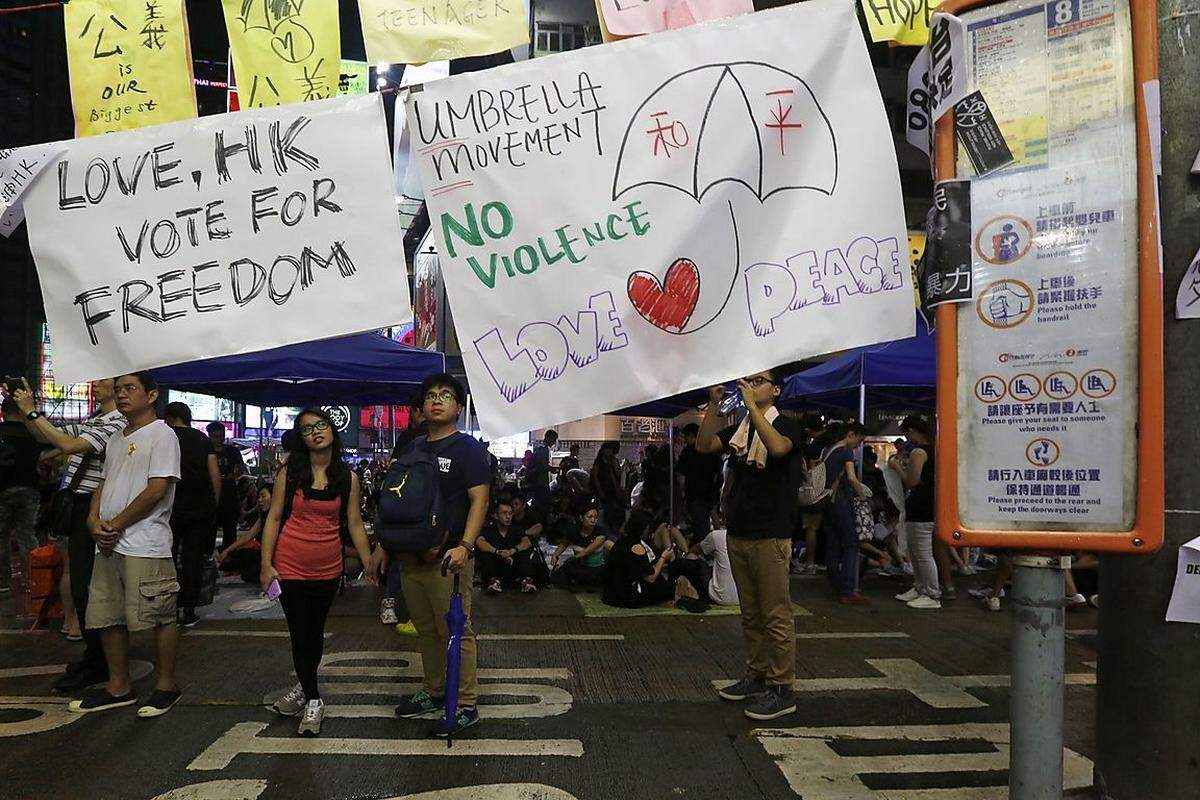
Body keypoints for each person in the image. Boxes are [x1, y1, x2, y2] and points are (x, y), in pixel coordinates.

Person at [67, 371, 183, 718]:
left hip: (146, 542)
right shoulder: (116, 438)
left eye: (129, 388)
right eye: (117, 389)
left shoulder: (163, 435)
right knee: (107, 615)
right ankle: (119, 686)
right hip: (108, 543)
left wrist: (115, 524)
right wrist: (93, 520)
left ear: (151, 395)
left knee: (160, 614)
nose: (121, 394)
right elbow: (103, 484)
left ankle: (166, 685)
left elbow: (156, 489)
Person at [260, 408, 377, 736]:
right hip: (290, 564)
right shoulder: (291, 472)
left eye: (321, 425)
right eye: (308, 429)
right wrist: (265, 564)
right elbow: (273, 518)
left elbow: (353, 523)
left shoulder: (348, 477)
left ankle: (303, 685)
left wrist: (369, 562)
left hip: (328, 568)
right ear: (302, 438)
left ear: (332, 430)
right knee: (300, 633)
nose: (316, 432)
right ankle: (313, 698)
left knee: (315, 631)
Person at [386, 373, 491, 738]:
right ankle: (433, 691)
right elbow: (396, 500)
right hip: (410, 556)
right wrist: (385, 548)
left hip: (449, 560)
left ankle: (465, 704)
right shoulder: (413, 447)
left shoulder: (468, 449)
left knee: (457, 632)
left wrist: (465, 545)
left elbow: (480, 500)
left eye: (446, 395)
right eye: (431, 395)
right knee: (426, 630)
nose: (437, 400)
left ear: (458, 407)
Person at [696, 369, 803, 721]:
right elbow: (703, 446)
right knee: (751, 614)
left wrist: (751, 407)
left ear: (775, 390)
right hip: (739, 531)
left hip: (771, 533)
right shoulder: (741, 429)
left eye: (759, 381)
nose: (750, 385)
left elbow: (777, 448)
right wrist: (713, 404)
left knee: (775, 613)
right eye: (749, 380)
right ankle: (756, 676)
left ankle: (782, 687)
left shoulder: (785, 425)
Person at [6, 377, 125, 690]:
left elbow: (69, 445)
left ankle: (101, 661)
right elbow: (52, 438)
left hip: (93, 508)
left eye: (103, 380)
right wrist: (25, 405)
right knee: (83, 584)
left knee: (90, 588)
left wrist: (31, 412)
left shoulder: (116, 421)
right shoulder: (95, 419)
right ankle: (94, 655)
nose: (93, 384)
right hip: (79, 508)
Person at [164, 403, 220, 627]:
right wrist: (214, 503)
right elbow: (214, 473)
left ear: (170, 417)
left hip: (167, 508)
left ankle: (166, 606)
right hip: (199, 508)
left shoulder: (163, 436)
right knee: (193, 559)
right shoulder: (202, 439)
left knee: (166, 556)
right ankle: (188, 609)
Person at [890, 415, 942, 609]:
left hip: (921, 507)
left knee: (923, 553)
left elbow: (912, 481)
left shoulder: (919, 452)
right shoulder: (934, 450)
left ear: (912, 431)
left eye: (906, 433)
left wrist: (897, 468)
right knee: (916, 550)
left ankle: (932, 593)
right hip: (927, 506)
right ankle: (920, 587)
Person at [822, 423, 870, 605]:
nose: (859, 445)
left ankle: (835, 583)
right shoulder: (846, 451)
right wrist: (863, 496)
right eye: (860, 440)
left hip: (828, 502)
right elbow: (851, 477)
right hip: (842, 501)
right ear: (851, 434)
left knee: (833, 544)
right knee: (851, 545)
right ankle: (848, 589)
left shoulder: (828, 450)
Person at [602, 510, 675, 608]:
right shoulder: (637, 547)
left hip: (611, 594)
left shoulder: (622, 541)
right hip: (627, 596)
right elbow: (651, 578)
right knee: (664, 586)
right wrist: (663, 557)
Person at [477, 497, 537, 594]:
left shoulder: (516, 529)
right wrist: (498, 552)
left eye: (510, 513)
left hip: (513, 566)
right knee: (486, 555)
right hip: (496, 566)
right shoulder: (490, 530)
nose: (508, 517)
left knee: (524, 553)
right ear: (496, 515)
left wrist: (512, 551)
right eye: (504, 513)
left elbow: (527, 542)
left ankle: (527, 581)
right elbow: (480, 542)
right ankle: (494, 582)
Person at [676, 423, 722, 541]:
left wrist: (683, 495)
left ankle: (704, 551)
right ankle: (717, 545)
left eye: (685, 437)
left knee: (700, 525)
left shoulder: (688, 452)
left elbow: (681, 476)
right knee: (710, 521)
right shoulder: (711, 449)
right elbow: (718, 474)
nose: (685, 440)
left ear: (691, 435)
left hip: (694, 494)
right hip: (710, 493)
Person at [218, 484, 272, 583]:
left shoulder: (279, 518)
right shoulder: (262, 517)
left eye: (263, 496)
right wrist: (228, 550)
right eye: (259, 497)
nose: (260, 500)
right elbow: (248, 535)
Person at [208, 421, 246, 552]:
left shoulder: (232, 451)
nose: (218, 439)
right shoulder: (206, 451)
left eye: (221, 436)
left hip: (229, 494)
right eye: (215, 436)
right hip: (210, 494)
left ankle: (230, 554)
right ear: (210, 436)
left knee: (230, 528)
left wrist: (230, 476)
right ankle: (208, 555)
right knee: (209, 528)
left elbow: (240, 469)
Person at [550, 505, 608, 590]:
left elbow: (587, 551)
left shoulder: (600, 533)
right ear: (581, 518)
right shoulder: (574, 531)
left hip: (595, 569)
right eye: (589, 517)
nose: (593, 520)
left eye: (595, 517)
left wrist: (573, 559)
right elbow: (564, 544)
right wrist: (555, 555)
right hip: (579, 567)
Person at [590, 441, 626, 530]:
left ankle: (613, 526)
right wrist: (599, 489)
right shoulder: (599, 461)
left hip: (611, 490)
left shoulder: (612, 461)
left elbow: (616, 474)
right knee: (605, 509)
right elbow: (595, 476)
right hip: (603, 489)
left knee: (614, 509)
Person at [529, 429, 556, 512]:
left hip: (538, 482)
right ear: (548, 438)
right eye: (554, 440)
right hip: (541, 482)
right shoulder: (544, 450)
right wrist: (553, 469)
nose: (554, 442)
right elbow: (544, 466)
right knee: (542, 506)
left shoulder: (539, 448)